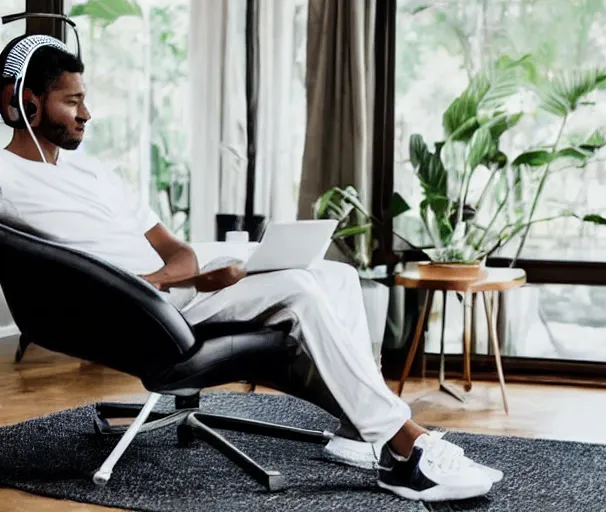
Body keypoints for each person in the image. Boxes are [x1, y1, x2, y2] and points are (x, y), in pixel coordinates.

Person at [0, 43, 503, 502]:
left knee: (334, 275)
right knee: (299, 291)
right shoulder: (6, 177)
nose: (87, 114)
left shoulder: (95, 171)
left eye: (85, 99)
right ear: (24, 103)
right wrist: (168, 284)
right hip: (135, 310)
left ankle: (358, 432)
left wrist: (189, 275)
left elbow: (172, 246)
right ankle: (404, 448)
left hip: (167, 291)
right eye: (72, 101)